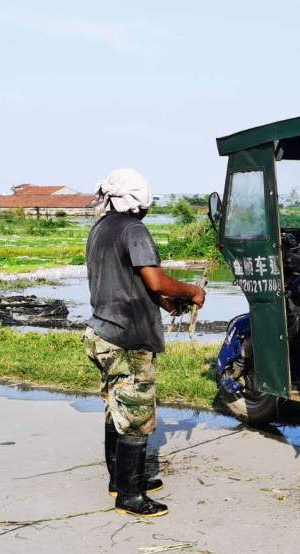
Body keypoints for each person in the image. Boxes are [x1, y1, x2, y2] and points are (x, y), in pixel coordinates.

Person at [82, 169, 206, 518]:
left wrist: (165, 302)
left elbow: (127, 281)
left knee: (117, 409)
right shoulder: (134, 229)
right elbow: (155, 280)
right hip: (128, 337)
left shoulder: (101, 227)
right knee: (136, 416)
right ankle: (131, 496)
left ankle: (120, 481)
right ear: (140, 200)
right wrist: (192, 291)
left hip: (102, 332)